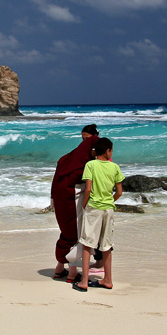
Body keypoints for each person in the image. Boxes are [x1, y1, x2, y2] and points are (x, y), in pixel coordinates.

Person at [73, 138, 124, 292]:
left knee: (88, 244)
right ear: (108, 151)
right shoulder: (114, 167)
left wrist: (84, 204)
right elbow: (120, 192)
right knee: (106, 246)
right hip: (108, 209)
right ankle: (108, 279)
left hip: (93, 207)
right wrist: (111, 201)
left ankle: (84, 280)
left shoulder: (91, 165)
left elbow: (88, 189)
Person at [50, 124, 99, 279]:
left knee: (67, 231)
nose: (85, 141)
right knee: (77, 233)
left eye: (87, 139)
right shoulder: (87, 159)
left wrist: (52, 198)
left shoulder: (70, 157)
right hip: (71, 195)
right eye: (83, 139)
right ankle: (72, 272)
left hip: (59, 195)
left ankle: (59, 267)